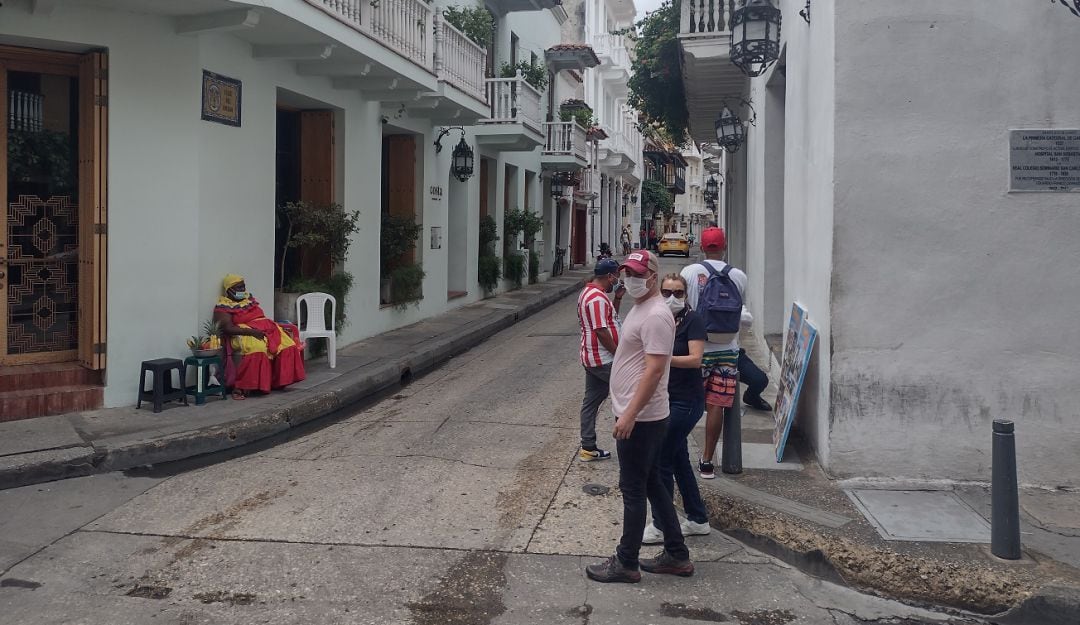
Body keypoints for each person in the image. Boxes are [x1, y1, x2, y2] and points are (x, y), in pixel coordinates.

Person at [586, 250, 693, 583]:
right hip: (641, 415)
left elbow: (655, 370)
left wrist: (629, 415)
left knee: (633, 489)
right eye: (626, 272)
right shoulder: (641, 307)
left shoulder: (657, 315)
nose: (629, 278)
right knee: (651, 485)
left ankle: (626, 561)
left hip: (643, 419)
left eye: (636, 273)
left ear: (652, 275)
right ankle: (676, 554)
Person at [642, 274, 712, 544]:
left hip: (687, 401)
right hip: (666, 399)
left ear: (686, 295)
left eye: (679, 293)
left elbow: (696, 359)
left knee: (661, 461)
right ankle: (697, 518)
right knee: (679, 460)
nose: (673, 298)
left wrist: (662, 360)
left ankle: (661, 524)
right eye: (668, 292)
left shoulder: (693, 320)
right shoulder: (659, 318)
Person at [679, 227, 750, 479]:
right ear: (724, 246)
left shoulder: (690, 272)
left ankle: (677, 452)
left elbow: (682, 307)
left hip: (696, 349)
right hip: (728, 350)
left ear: (701, 245)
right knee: (717, 405)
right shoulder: (739, 276)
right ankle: (707, 461)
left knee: (685, 402)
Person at [214, 274, 306, 399]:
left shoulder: (249, 301)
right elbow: (228, 328)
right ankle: (242, 387)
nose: (242, 291)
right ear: (229, 290)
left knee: (288, 346)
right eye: (238, 288)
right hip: (245, 333)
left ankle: (276, 383)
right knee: (258, 349)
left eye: (243, 287)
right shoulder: (223, 306)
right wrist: (253, 332)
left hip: (268, 329)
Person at [575, 259, 624, 461]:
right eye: (616, 276)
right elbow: (601, 331)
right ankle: (628, 448)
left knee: (591, 402)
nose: (618, 280)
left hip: (594, 357)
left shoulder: (594, 294)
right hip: (603, 359)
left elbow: (608, 320)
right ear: (609, 276)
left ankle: (588, 446)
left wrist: (618, 299)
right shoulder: (596, 298)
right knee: (626, 400)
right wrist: (620, 354)